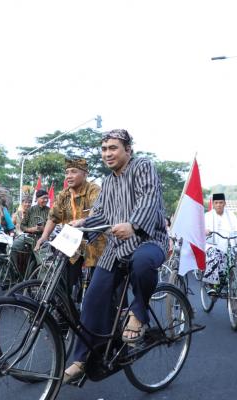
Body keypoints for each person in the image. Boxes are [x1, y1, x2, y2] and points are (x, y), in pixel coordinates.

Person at [63, 129, 169, 383]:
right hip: (115, 250)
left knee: (142, 262)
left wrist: (133, 225)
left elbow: (149, 198)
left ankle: (139, 313)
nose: (107, 153)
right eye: (104, 149)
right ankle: (82, 358)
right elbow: (101, 215)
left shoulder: (142, 166)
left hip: (148, 239)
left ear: (128, 150)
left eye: (113, 148)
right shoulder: (108, 181)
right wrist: (83, 223)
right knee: (92, 300)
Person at [34, 158, 106, 294]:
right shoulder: (64, 194)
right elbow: (53, 217)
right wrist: (44, 237)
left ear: (85, 174)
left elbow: (97, 208)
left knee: (100, 285)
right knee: (64, 279)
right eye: (67, 173)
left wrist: (83, 221)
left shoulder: (93, 189)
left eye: (73, 172)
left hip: (94, 241)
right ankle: (65, 308)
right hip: (71, 242)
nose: (69, 176)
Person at [203, 193, 237, 294]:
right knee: (215, 255)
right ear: (213, 204)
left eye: (221, 202)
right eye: (216, 203)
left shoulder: (230, 215)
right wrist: (205, 230)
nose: (218, 205)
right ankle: (212, 285)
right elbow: (201, 229)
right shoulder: (208, 216)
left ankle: (233, 279)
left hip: (228, 243)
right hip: (212, 244)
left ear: (225, 203)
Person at [10, 189, 50, 272]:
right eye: (43, 198)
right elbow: (22, 226)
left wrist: (43, 229)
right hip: (28, 236)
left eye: (47, 198)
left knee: (43, 262)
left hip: (41, 238)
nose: (45, 200)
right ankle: (16, 271)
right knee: (14, 247)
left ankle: (41, 282)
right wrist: (30, 229)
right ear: (37, 199)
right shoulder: (31, 210)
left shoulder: (50, 211)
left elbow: (52, 226)